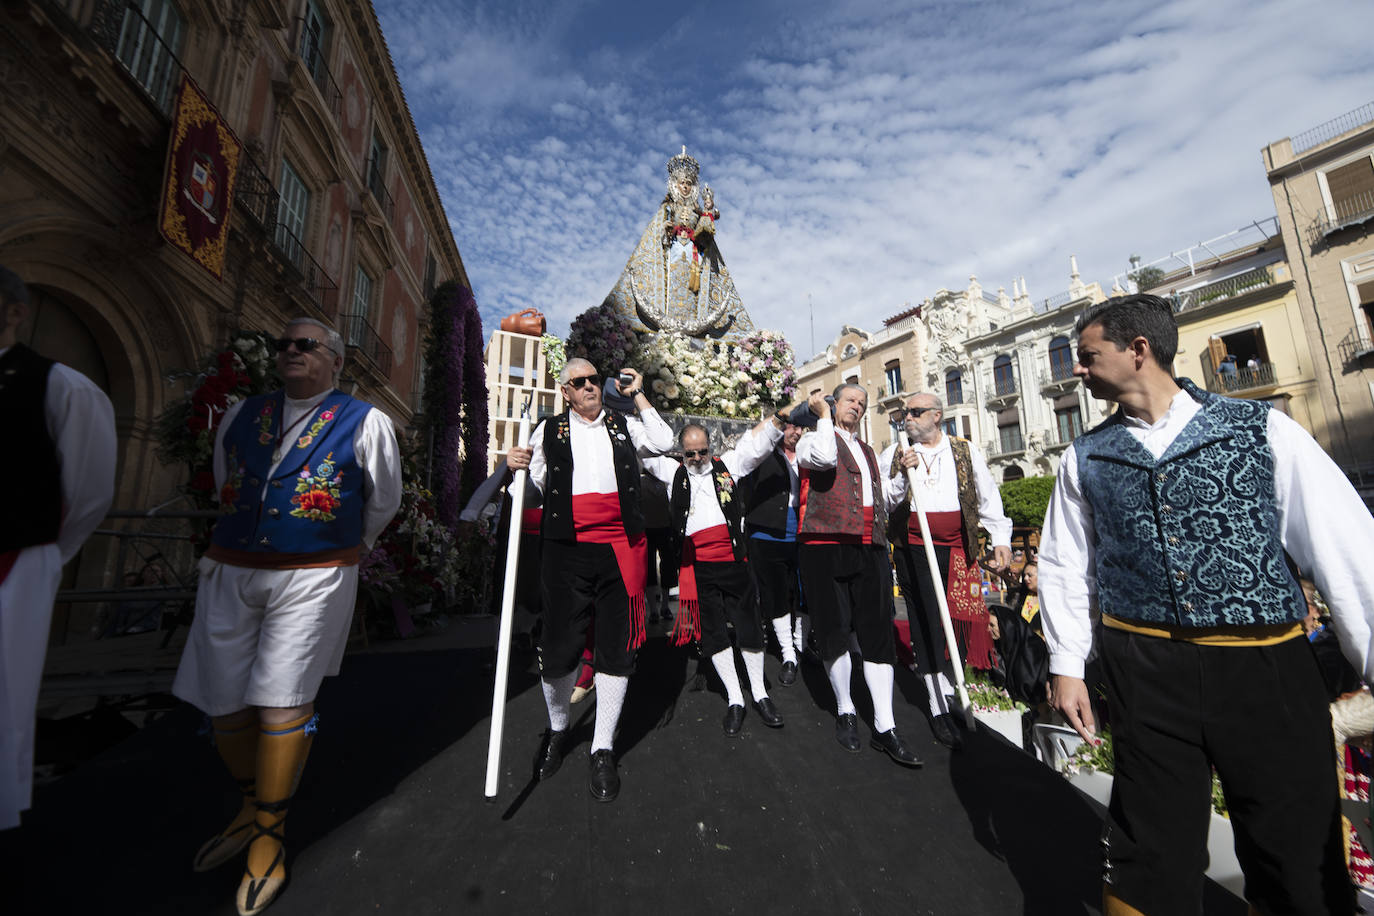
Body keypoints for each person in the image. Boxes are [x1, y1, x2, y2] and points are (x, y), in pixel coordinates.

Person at [1039, 293, 1374, 916]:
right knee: (1148, 847)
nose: (1077, 371)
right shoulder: (1082, 457)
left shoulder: (1263, 429)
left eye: (1087, 357)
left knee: (1294, 847)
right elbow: (1064, 564)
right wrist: (1067, 663)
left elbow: (1345, 548)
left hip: (1265, 671)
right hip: (1145, 672)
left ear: (1138, 350)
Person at [172, 317, 402, 916]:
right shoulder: (242, 415)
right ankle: (249, 804)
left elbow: (383, 500)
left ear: (335, 361)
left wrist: (343, 547)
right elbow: (229, 481)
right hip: (232, 565)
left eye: (306, 346)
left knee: (283, 696)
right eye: (285, 345)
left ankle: (270, 835)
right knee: (222, 698)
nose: (291, 352)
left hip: (314, 571)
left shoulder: (365, 421)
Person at [506, 357, 672, 802]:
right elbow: (532, 491)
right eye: (579, 382)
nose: (590, 387)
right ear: (565, 391)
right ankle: (558, 729)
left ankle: (603, 747)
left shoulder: (624, 425)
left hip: (622, 549)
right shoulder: (548, 431)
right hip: (566, 550)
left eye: (595, 380)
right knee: (559, 648)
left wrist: (637, 393)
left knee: (616, 649)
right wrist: (515, 468)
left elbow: (665, 439)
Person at [0, 265, 115, 830]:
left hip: (14, 558)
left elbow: (90, 490)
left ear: (15, 312)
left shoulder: (61, 386)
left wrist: (45, 554)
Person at [795, 385, 921, 768]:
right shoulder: (810, 439)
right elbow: (823, 458)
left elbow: (885, 499)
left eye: (863, 404)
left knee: (878, 632)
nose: (859, 407)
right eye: (851, 400)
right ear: (833, 404)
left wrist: (902, 475)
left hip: (872, 546)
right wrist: (820, 418)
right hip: (825, 545)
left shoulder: (868, 451)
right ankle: (846, 708)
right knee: (833, 629)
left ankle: (885, 725)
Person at [882, 393, 1012, 749]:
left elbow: (987, 497)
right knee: (926, 619)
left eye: (916, 412)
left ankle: (965, 686)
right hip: (914, 548)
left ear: (936, 416)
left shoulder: (964, 451)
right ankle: (936, 700)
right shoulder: (896, 453)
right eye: (905, 413)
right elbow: (886, 502)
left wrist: (1000, 537)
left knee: (961, 619)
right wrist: (902, 477)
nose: (908, 417)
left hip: (957, 548)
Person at [643, 418, 785, 734]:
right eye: (689, 454)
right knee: (714, 632)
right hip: (698, 566)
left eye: (702, 452)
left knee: (749, 627)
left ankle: (760, 694)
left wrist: (777, 420)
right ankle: (736, 698)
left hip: (734, 562)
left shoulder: (728, 465)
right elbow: (643, 447)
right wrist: (635, 400)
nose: (696, 459)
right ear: (681, 453)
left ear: (711, 448)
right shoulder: (671, 473)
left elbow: (756, 446)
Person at [739, 419, 807, 686]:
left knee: (804, 591)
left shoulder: (807, 453)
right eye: (791, 426)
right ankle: (788, 654)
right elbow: (748, 448)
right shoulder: (762, 452)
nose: (797, 432)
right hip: (767, 534)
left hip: (803, 532)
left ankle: (801, 644)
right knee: (775, 594)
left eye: (801, 428)